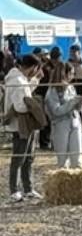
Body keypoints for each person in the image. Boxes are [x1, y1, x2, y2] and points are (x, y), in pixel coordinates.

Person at [5, 55, 45, 201]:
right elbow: (20, 106)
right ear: (33, 67)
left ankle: (28, 188)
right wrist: (33, 106)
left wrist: (36, 80)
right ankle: (14, 190)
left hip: (27, 124)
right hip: (20, 125)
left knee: (28, 157)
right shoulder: (17, 81)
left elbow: (26, 89)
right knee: (19, 157)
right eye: (37, 69)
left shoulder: (20, 79)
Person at [44, 63, 82, 170]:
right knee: (62, 158)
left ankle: (77, 177)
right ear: (65, 73)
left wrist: (81, 101)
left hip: (75, 121)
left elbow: (78, 109)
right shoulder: (52, 91)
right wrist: (73, 102)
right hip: (60, 124)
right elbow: (56, 111)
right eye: (72, 73)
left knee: (77, 156)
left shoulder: (71, 88)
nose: (73, 76)